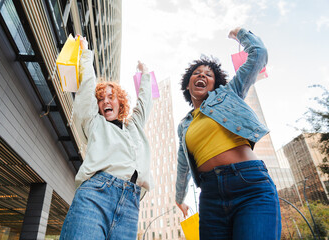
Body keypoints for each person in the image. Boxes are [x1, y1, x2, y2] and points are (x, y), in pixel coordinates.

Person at [175, 27, 281, 239]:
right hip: (210, 195)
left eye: (208, 74)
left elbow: (259, 53)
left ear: (216, 84)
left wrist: (241, 33)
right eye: (196, 73)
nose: (202, 76)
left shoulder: (229, 94)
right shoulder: (184, 125)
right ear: (188, 84)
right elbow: (183, 165)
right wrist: (179, 197)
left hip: (249, 185)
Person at [59, 35, 153, 239]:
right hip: (96, 194)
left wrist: (145, 74)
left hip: (130, 203)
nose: (105, 101)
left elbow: (145, 102)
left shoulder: (134, 126)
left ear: (120, 102)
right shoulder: (95, 123)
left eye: (111, 97)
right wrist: (85, 53)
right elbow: (86, 89)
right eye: (101, 99)